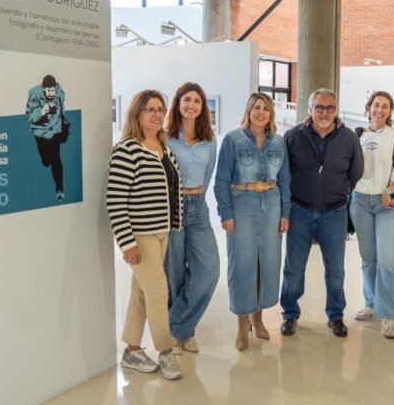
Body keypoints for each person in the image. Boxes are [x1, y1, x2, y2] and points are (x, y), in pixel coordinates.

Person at [107, 90, 183, 380]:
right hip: (140, 233)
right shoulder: (127, 149)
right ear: (136, 113)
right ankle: (166, 353)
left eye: (160, 109)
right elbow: (115, 199)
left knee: (140, 293)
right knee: (158, 291)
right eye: (149, 109)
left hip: (161, 231)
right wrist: (126, 243)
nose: (156, 114)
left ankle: (132, 351)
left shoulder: (162, 147)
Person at [279, 89, 364, 338]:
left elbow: (355, 172)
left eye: (330, 107)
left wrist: (336, 190)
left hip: (334, 213)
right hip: (299, 211)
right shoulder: (293, 136)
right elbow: (285, 174)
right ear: (309, 109)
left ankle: (336, 315)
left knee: (335, 269)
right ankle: (290, 314)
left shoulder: (348, 137)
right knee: (294, 268)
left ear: (336, 109)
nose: (324, 112)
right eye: (319, 107)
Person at [214, 93, 291, 351]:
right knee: (242, 264)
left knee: (266, 264)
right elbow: (222, 179)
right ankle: (241, 324)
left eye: (266, 109)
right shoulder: (233, 139)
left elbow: (286, 181)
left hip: (271, 203)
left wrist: (285, 213)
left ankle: (259, 320)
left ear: (271, 114)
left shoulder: (279, 143)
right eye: (256, 107)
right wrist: (226, 213)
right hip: (242, 203)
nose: (261, 112)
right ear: (248, 111)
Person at [349, 91, 394, 339]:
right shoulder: (356, 136)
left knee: (387, 260)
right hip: (359, 202)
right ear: (368, 107)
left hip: (387, 203)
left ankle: (389, 313)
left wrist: (390, 189)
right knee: (369, 258)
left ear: (390, 111)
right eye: (376, 105)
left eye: (385, 106)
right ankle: (370, 302)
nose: (380, 109)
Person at [163, 82, 220, 354]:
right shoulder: (165, 137)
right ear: (178, 103)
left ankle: (176, 326)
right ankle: (183, 334)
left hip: (198, 206)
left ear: (203, 107)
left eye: (197, 101)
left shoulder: (210, 140)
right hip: (171, 206)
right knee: (173, 272)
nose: (192, 105)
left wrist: (195, 197)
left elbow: (208, 176)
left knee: (209, 271)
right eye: (187, 99)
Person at [26, 74, 68, 200]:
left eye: (52, 90)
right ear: (43, 89)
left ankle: (59, 188)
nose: (51, 93)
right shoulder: (34, 94)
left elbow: (62, 106)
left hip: (55, 130)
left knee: (56, 160)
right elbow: (29, 116)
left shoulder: (59, 92)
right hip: (40, 133)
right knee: (46, 161)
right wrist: (41, 112)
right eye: (48, 90)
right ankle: (46, 159)